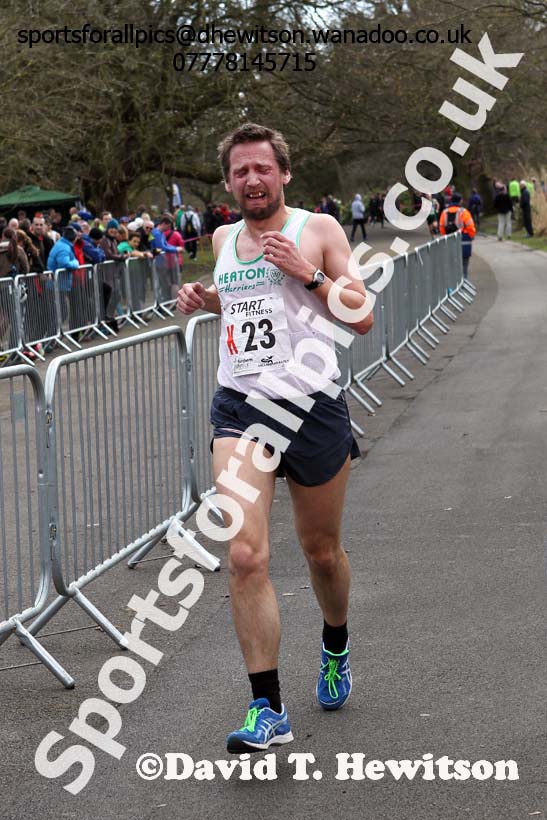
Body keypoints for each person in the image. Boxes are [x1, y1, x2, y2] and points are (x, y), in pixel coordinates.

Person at [176, 122, 373, 754]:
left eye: (263, 168)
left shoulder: (318, 230)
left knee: (320, 552)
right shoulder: (225, 237)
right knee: (244, 555)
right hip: (241, 408)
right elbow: (244, 308)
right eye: (241, 171)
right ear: (229, 182)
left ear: (283, 173)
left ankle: (335, 644)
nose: (252, 179)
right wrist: (204, 299)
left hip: (311, 409)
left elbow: (362, 315)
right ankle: (268, 709)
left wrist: (309, 275)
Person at [439, 192, 476, 278]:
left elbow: (441, 227)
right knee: (464, 265)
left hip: (449, 242)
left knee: (452, 265)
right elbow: (470, 227)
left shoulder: (444, 212)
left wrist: (446, 236)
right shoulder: (464, 212)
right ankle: (464, 282)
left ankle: (452, 284)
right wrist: (471, 236)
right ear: (460, 201)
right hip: (464, 241)